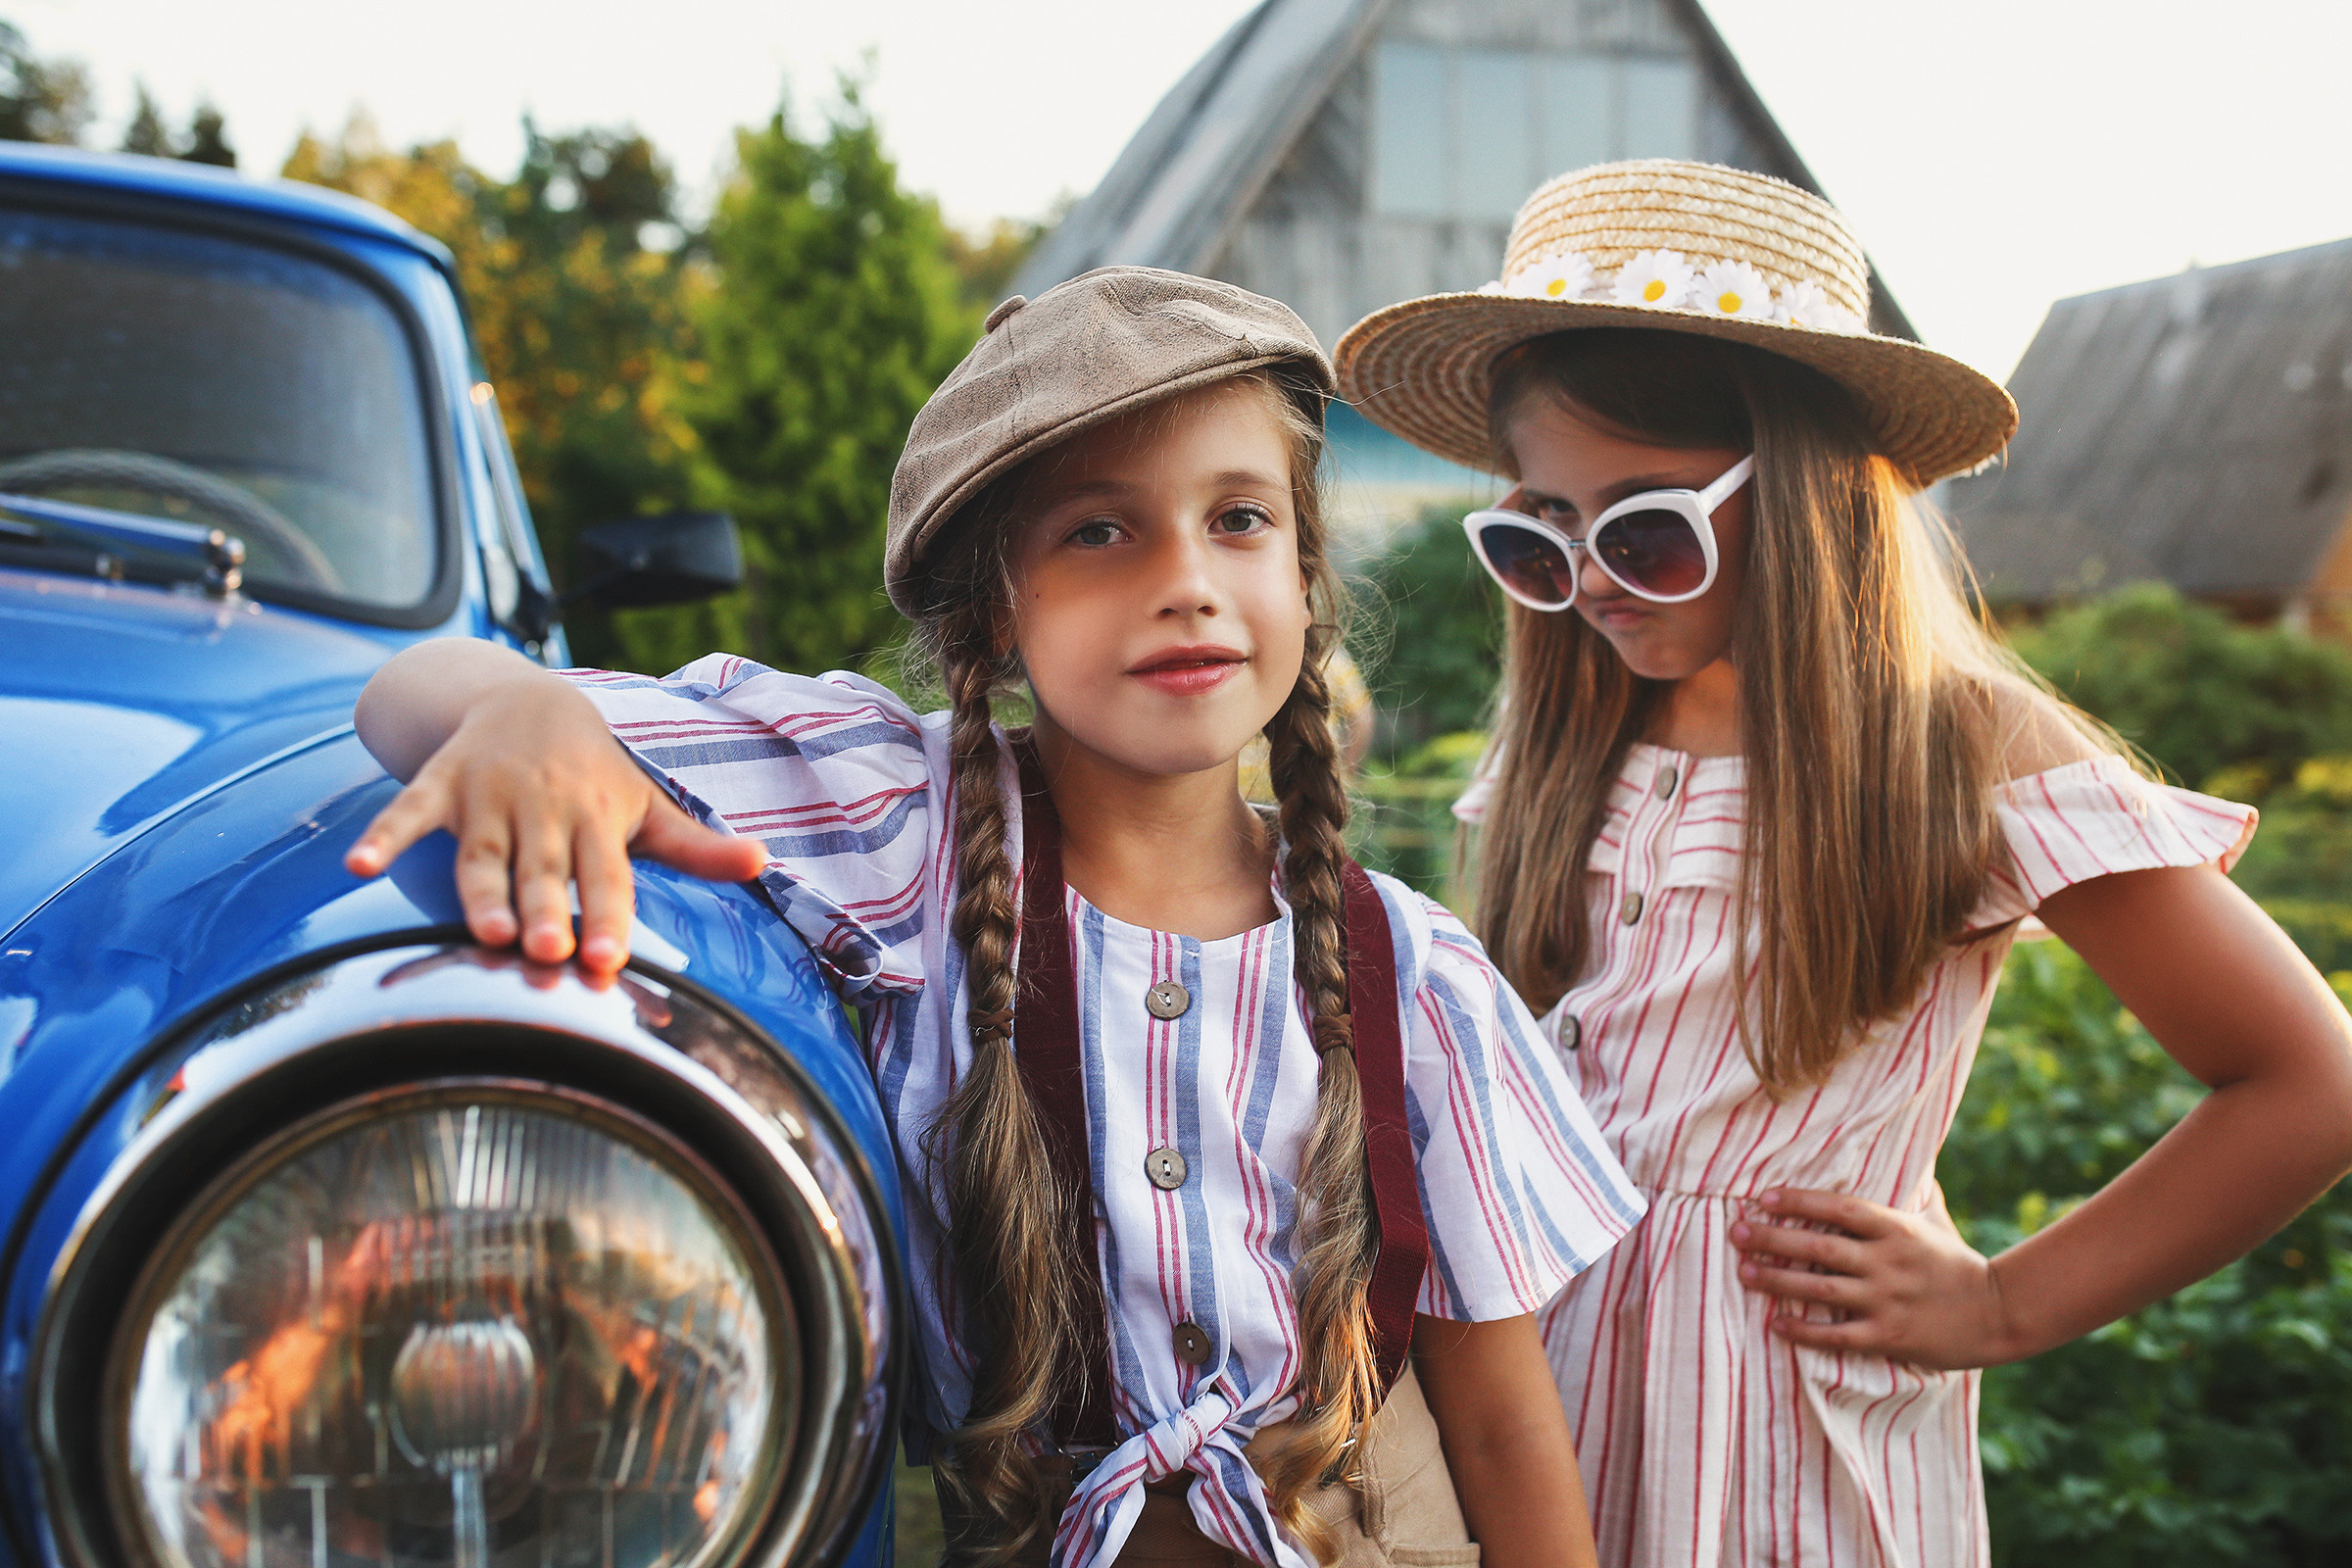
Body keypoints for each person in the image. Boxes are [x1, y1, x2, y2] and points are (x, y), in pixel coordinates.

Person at [344, 269, 1645, 1568]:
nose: (1186, 580)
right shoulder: (899, 831)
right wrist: (520, 715)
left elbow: (1505, 1431)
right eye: (1099, 531)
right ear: (997, 613)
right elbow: (410, 689)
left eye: (1239, 520)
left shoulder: (1417, 972)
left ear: (1307, 582)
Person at [1332, 160, 2352, 1567]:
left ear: (1808, 495)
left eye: (1644, 528)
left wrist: (2006, 1305)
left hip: (1780, 1434)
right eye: (1542, 535)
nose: (1595, 584)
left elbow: (2312, 1079)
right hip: (1529, 1399)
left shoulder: (1964, 750)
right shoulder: (1569, 736)